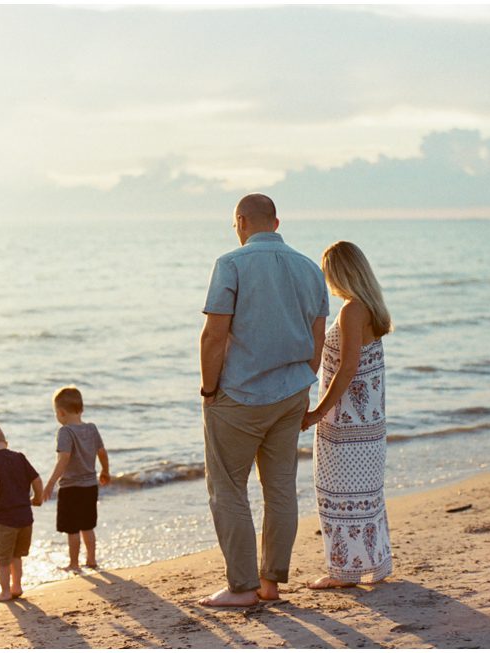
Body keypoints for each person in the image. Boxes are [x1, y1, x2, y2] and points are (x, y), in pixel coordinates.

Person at [199, 193, 329, 607]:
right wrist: (305, 384)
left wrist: (208, 388)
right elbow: (318, 337)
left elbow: (214, 335)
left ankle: (242, 587)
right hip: (292, 392)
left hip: (239, 395)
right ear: (275, 223)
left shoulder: (231, 264)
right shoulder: (311, 268)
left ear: (240, 221)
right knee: (280, 489)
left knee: (228, 488)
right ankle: (270, 584)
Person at [301, 240, 394, 589]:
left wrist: (316, 412)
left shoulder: (351, 311)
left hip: (346, 425)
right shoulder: (371, 308)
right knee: (365, 498)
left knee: (338, 497)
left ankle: (343, 572)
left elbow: (347, 369)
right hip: (368, 423)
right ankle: (369, 563)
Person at [0, 421, 44, 602]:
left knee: (2, 558)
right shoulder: (19, 457)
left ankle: (5, 591)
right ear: (5, 442)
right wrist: (37, 498)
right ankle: (17, 586)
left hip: (4, 520)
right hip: (25, 518)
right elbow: (37, 480)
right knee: (16, 555)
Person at [43, 386, 111, 571]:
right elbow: (102, 452)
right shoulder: (91, 428)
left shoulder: (65, 432)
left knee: (72, 529)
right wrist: (105, 471)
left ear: (61, 412)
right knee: (87, 527)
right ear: (81, 408)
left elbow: (63, 459)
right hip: (90, 486)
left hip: (70, 488)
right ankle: (91, 560)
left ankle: (74, 564)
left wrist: (50, 483)